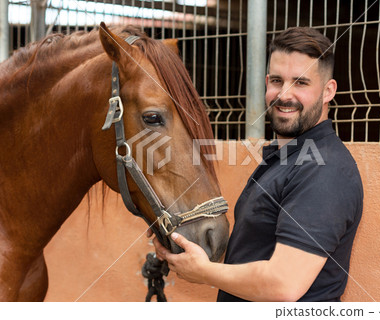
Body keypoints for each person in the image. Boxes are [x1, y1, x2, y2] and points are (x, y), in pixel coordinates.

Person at [152, 27, 363, 302]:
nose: (284, 95)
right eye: (277, 80)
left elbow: (283, 286)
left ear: (327, 91)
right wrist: (182, 243)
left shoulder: (325, 170)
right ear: (266, 82)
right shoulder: (285, 158)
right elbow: (253, 252)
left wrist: (203, 272)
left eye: (300, 82)